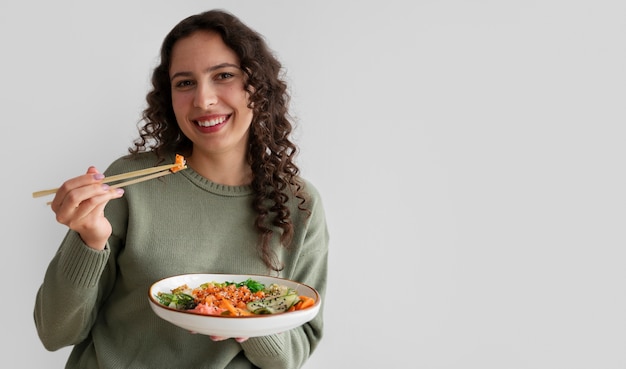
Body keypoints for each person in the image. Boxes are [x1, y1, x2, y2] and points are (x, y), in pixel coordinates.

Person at [33, 9, 329, 369]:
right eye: (185, 83)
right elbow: (55, 333)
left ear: (258, 85)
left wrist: (247, 318)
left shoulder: (298, 203)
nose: (203, 100)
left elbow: (294, 354)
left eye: (224, 75)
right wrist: (89, 241)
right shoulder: (130, 183)